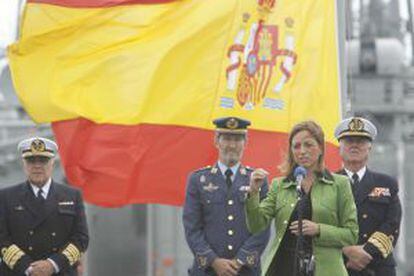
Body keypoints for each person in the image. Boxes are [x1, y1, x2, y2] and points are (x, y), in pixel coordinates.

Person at [245, 120, 358, 276]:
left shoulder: (340, 184)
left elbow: (351, 234)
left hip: (325, 270)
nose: (302, 151)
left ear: (320, 148)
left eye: (308, 145)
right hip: (284, 268)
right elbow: (256, 226)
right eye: (296, 146)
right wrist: (253, 193)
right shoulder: (279, 185)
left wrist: (318, 229)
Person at [183, 117, 270, 276]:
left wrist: (239, 261)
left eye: (237, 139)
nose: (232, 145)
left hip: (245, 271)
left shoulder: (257, 181)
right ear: (217, 141)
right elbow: (192, 228)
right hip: (208, 270)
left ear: (245, 143)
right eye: (227, 139)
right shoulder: (197, 180)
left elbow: (262, 228)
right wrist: (214, 261)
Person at [0, 137, 89, 276]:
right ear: (24, 164)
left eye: (43, 160)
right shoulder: (5, 197)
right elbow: (2, 237)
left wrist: (53, 265)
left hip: (60, 271)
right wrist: (29, 268)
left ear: (52, 163)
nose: (37, 166)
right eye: (31, 161)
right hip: (19, 271)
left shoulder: (72, 196)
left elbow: (81, 238)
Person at [335, 117, 402, 276]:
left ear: (369, 146)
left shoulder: (387, 184)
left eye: (361, 141)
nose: (355, 145)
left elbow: (392, 225)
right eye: (349, 140)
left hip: (377, 267)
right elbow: (321, 223)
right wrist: (348, 251)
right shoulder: (327, 183)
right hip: (339, 265)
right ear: (340, 147)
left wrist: (365, 252)